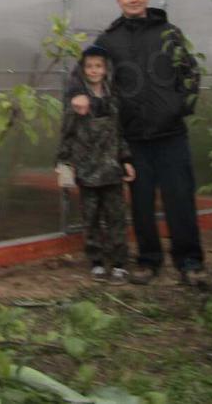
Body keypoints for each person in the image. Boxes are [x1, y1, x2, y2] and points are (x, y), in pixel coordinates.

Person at [69, 0, 204, 285]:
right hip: (133, 138)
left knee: (180, 199)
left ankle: (190, 263)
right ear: (119, 0)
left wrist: (180, 107)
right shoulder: (109, 40)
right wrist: (76, 93)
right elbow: (85, 71)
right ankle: (148, 262)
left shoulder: (168, 33)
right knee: (141, 203)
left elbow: (190, 72)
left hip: (171, 134)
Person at [56, 45, 135, 285]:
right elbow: (66, 133)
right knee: (90, 217)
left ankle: (119, 264)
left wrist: (126, 159)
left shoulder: (113, 97)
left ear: (106, 68)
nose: (94, 70)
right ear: (82, 69)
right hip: (87, 169)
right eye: (89, 66)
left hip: (111, 169)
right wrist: (63, 162)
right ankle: (97, 262)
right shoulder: (76, 100)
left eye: (98, 66)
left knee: (116, 217)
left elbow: (119, 132)